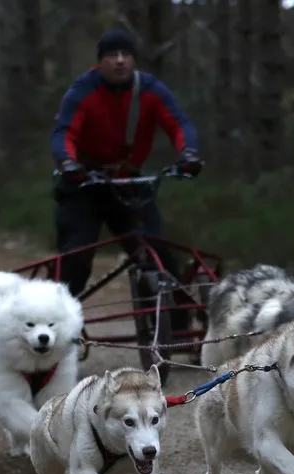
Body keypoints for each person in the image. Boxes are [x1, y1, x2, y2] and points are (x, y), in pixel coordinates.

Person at [50, 26, 202, 332]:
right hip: (83, 185)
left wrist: (189, 153)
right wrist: (68, 163)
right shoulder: (83, 90)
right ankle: (54, 326)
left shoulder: (150, 90)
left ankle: (181, 328)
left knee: (159, 252)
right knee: (77, 258)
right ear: (100, 61)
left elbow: (178, 123)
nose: (119, 61)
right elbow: (64, 133)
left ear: (134, 59)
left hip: (128, 186)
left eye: (126, 55)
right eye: (111, 55)